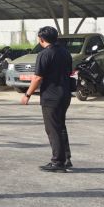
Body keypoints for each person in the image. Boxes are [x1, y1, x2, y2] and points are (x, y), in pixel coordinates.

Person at [21, 26, 73, 172]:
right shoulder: (65, 52)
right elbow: (69, 71)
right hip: (65, 93)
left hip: (51, 96)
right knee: (60, 126)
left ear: (41, 39)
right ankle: (66, 158)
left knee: (53, 129)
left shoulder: (44, 54)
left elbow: (37, 77)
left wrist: (27, 94)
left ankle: (57, 162)